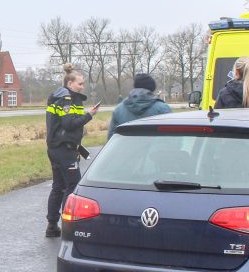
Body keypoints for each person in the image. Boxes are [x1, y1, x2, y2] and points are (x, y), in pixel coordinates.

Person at [45, 63, 100, 237]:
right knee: (72, 186)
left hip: (56, 148)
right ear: (70, 84)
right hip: (64, 150)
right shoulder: (67, 99)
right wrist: (89, 115)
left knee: (59, 186)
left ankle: (52, 226)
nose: (82, 87)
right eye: (80, 84)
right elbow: (69, 124)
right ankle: (67, 225)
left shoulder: (60, 97)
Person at [107, 73, 171, 138]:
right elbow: (171, 138)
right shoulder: (162, 108)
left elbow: (111, 138)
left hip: (126, 147)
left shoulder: (118, 109)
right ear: (152, 89)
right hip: (155, 148)